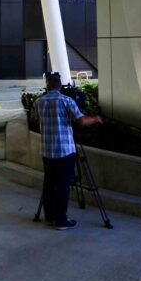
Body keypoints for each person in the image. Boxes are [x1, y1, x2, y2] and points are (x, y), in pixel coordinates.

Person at [34, 72, 103, 230]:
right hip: (65, 152)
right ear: (59, 86)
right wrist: (96, 119)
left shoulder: (39, 101)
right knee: (63, 186)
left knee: (49, 184)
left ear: (47, 86)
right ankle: (61, 220)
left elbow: (34, 118)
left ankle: (49, 216)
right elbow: (81, 121)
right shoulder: (66, 100)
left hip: (47, 151)